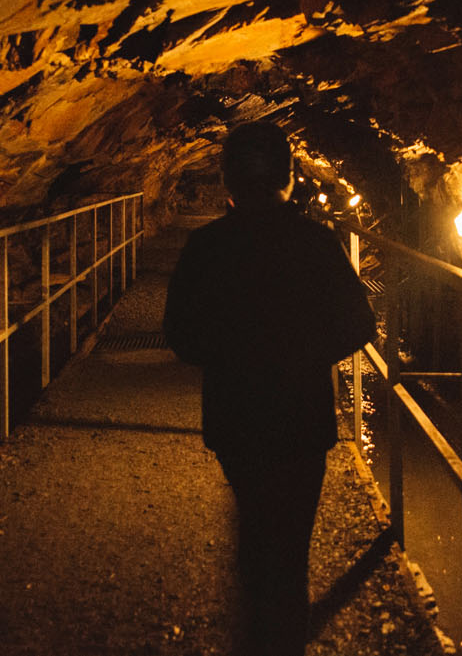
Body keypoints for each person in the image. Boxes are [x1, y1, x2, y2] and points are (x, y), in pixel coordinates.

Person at [163, 121, 377, 656]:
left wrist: (233, 356)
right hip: (302, 414)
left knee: (257, 522)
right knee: (291, 540)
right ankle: (282, 631)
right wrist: (301, 355)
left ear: (228, 179)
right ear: (288, 179)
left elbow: (181, 335)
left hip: (235, 414)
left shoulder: (207, 245)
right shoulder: (316, 242)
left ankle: (262, 624)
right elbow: (359, 325)